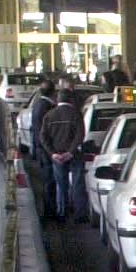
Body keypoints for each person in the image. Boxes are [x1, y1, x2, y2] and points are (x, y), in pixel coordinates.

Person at [38, 91, 85, 222]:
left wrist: (52, 153)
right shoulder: (76, 114)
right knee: (77, 183)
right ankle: (79, 214)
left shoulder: (49, 115)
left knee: (61, 184)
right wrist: (70, 151)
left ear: (58, 100)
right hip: (74, 155)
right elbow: (80, 135)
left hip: (57, 156)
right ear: (70, 99)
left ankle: (62, 212)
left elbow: (43, 137)